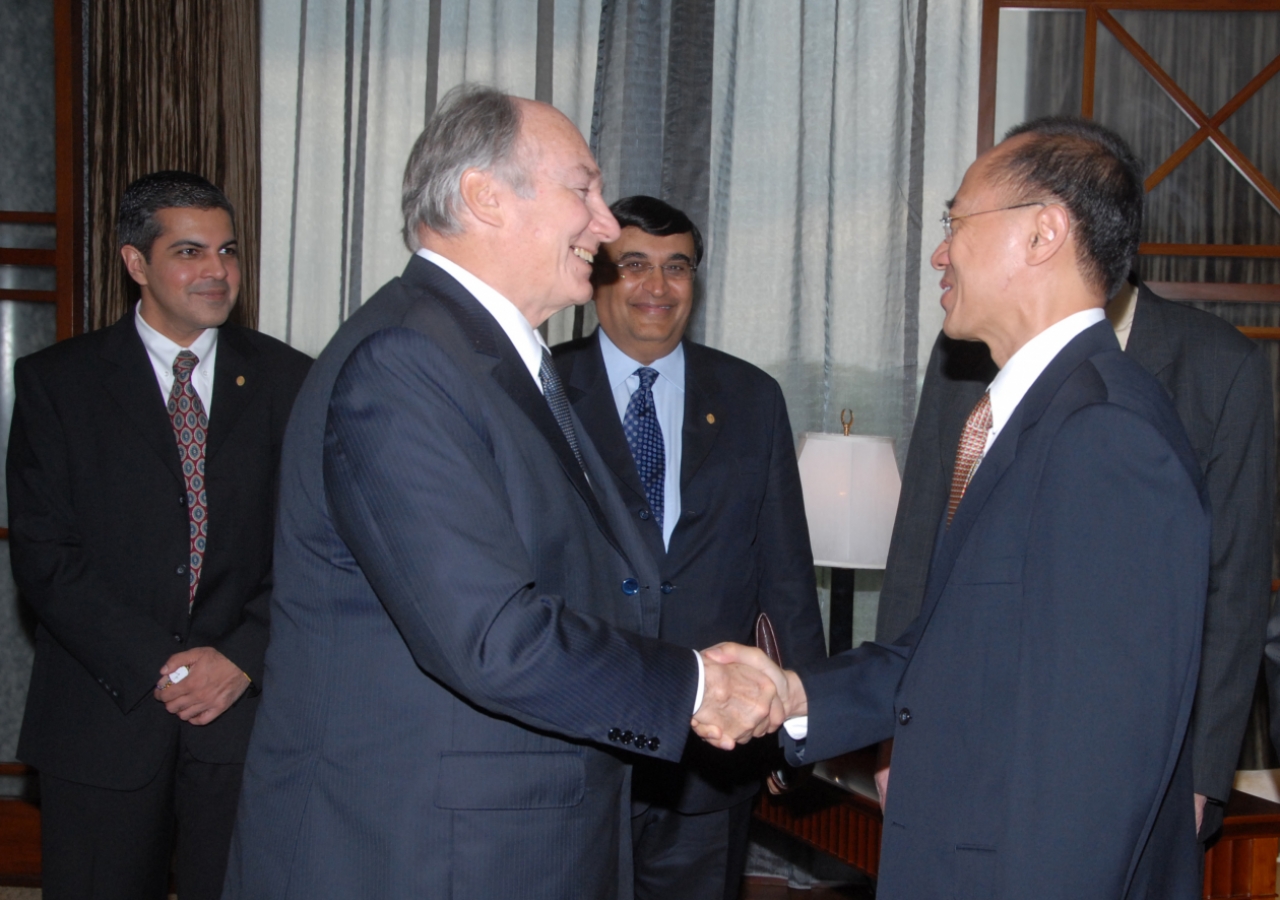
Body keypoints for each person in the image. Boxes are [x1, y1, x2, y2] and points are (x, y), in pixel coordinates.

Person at [221, 85, 783, 900]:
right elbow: (490, 635)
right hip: (427, 853)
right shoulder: (405, 363)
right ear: (485, 198)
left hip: (510, 836)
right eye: (582, 189)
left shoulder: (489, 354)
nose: (603, 222)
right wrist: (695, 686)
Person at [703, 117, 1212, 899]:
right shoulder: (1022, 418)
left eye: (956, 222)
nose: (940, 252)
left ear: (1044, 233)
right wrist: (796, 695)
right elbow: (948, 651)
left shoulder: (1106, 438)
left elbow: (1096, 769)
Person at [877, 272, 1275, 842]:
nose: (946, 251)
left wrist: (1200, 779)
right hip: (965, 737)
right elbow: (919, 544)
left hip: (1135, 757)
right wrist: (894, 734)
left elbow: (1234, 592)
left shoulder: (1219, 363)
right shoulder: (967, 352)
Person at [6, 170, 313, 900]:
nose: (217, 271)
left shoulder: (291, 380)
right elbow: (47, 560)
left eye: (228, 250)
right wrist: (163, 666)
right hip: (101, 718)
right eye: (190, 252)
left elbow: (313, 546)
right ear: (135, 263)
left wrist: (239, 659)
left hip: (242, 721)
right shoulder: (59, 385)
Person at [553, 195, 827, 900]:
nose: (657, 287)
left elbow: (785, 574)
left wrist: (806, 722)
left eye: (677, 268)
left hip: (710, 756)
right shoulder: (541, 389)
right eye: (635, 265)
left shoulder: (751, 397)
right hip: (577, 740)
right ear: (598, 277)